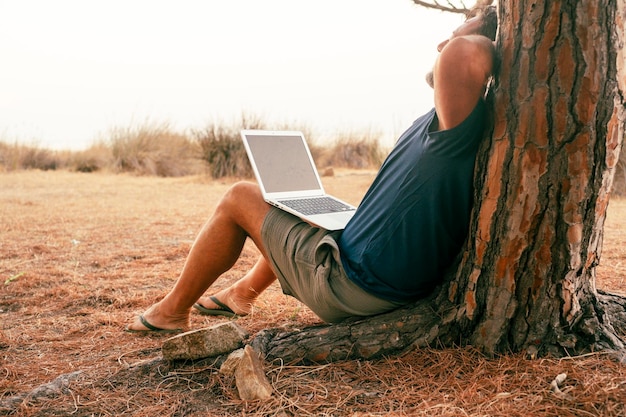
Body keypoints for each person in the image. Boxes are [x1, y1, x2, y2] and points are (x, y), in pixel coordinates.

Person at [127, 5, 498, 333]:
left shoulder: (457, 130)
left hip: (354, 286)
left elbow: (462, 55)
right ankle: (241, 294)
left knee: (239, 197)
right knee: (306, 214)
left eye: (450, 38)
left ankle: (171, 312)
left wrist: (478, 30)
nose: (442, 47)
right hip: (375, 270)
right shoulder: (443, 124)